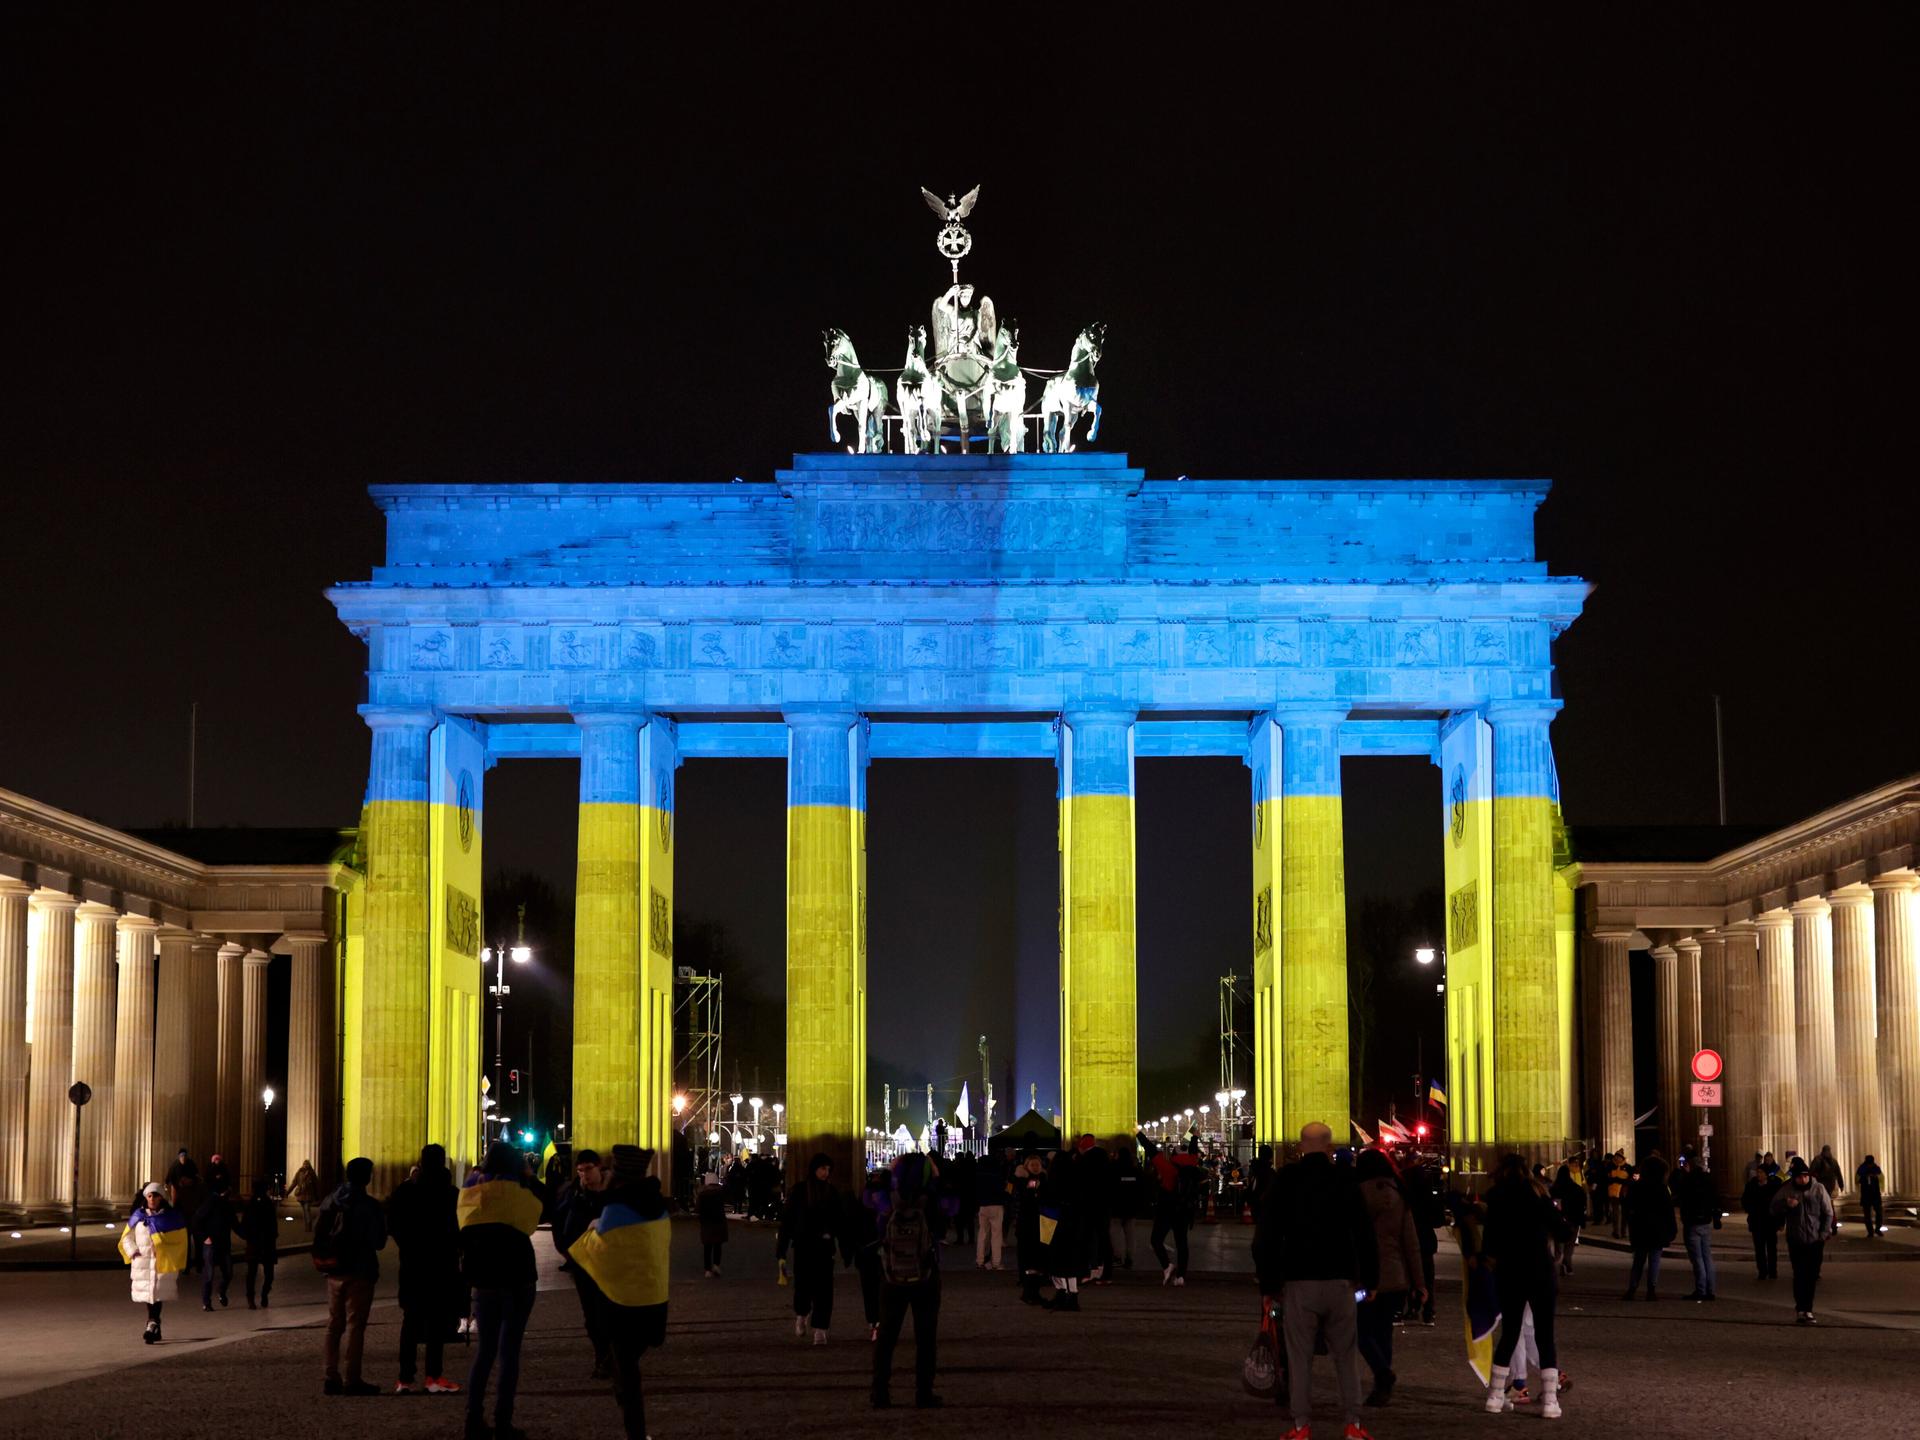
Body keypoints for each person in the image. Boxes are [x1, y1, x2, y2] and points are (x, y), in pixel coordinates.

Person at [1253, 1122, 1379, 1440]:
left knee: (1299, 1357)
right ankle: (1353, 1424)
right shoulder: (1345, 1180)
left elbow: (1266, 1237)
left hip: (1299, 1281)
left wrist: (1269, 1285)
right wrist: (1371, 1278)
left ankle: (1301, 1425)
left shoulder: (1286, 1180)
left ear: (1300, 1147)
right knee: (1346, 1356)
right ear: (1329, 1147)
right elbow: (1365, 1233)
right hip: (1340, 1281)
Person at [572, 1145, 672, 1440]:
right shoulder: (659, 1206)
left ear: (618, 1174)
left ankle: (636, 1433)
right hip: (654, 1299)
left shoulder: (615, 1209)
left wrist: (592, 1230)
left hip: (623, 1303)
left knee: (626, 1372)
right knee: (626, 1365)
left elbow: (598, 1252)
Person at [460, 1140, 545, 1439]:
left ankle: (473, 1418)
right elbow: (542, 1209)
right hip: (518, 1277)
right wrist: (528, 1176)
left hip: (484, 1281)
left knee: (485, 1352)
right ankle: (503, 1421)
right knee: (510, 1353)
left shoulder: (470, 1192)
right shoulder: (519, 1191)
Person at [1482, 1154, 1569, 1419]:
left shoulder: (1496, 1197)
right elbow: (1563, 1231)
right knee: (1544, 1335)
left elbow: (1489, 1244)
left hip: (1510, 1272)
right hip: (1540, 1270)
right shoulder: (1538, 1194)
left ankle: (1495, 1396)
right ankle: (1550, 1401)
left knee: (1510, 1333)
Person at [388, 1142, 463, 1395]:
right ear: (443, 1162)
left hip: (413, 1265)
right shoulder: (451, 1193)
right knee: (436, 1324)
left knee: (410, 1322)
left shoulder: (405, 1191)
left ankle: (404, 1379)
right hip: (442, 1265)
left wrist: (408, 1246)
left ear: (421, 1162)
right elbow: (460, 1229)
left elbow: (394, 1224)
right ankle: (433, 1376)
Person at [871, 1152, 944, 1410]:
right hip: (925, 1275)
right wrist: (935, 1177)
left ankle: (880, 1392)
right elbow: (950, 1211)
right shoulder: (930, 1199)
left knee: (886, 1337)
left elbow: (873, 1218)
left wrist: (888, 1176)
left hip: (891, 1276)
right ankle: (924, 1393)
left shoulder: (886, 1198)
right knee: (926, 1338)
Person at [1354, 1148, 1425, 1408]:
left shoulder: (1356, 1195)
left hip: (1364, 1279)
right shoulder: (1399, 1195)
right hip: (1395, 1277)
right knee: (1384, 1331)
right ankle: (1382, 1383)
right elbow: (1411, 1244)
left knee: (1360, 1330)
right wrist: (1419, 1283)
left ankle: (1382, 1373)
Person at [314, 1155, 388, 1395]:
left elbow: (318, 1230)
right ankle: (352, 1378)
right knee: (356, 1325)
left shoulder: (330, 1200)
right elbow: (379, 1241)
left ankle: (330, 1375)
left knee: (334, 1324)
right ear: (366, 1177)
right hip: (360, 1270)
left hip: (334, 1269)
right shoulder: (369, 1205)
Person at [776, 1153, 850, 1344]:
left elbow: (840, 1222)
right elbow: (788, 1221)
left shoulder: (831, 1192)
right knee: (803, 1286)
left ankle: (820, 1329)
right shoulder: (799, 1191)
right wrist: (781, 1249)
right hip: (804, 1246)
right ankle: (802, 1314)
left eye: (828, 1169)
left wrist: (845, 1247)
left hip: (824, 1248)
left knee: (824, 1290)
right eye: (822, 1168)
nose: (826, 1173)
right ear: (814, 1169)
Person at [555, 1148, 612, 1377]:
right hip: (583, 1265)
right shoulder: (574, 1195)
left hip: (610, 1264)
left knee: (609, 1312)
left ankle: (613, 1356)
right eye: (580, 1171)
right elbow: (561, 1224)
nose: (584, 1175)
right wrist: (568, 1253)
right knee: (591, 1315)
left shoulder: (614, 1193)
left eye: (588, 1169)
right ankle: (602, 1356)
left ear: (599, 1167)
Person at [1772, 1157, 1836, 1324]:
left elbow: (1828, 1212)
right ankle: (1802, 1309)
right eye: (1799, 1177)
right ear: (1794, 1177)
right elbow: (1773, 1208)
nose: (1803, 1179)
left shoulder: (1818, 1189)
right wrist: (1786, 1203)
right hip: (1796, 1240)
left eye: (1805, 1176)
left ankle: (1808, 1308)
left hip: (1815, 1240)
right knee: (1799, 1274)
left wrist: (1823, 1234)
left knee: (1811, 1275)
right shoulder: (1787, 1189)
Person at [127, 1181, 186, 1343]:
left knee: (157, 1294)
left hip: (162, 1262)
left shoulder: (170, 1217)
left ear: (162, 1198)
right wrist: (133, 1251)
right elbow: (127, 1237)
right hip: (144, 1263)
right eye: (149, 1196)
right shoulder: (138, 1217)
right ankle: (154, 1324)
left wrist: (165, 1246)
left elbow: (179, 1238)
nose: (152, 1199)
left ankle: (152, 1323)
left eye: (156, 1196)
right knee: (149, 1295)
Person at [1140, 1130, 1200, 1286]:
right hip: (1184, 1210)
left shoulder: (1167, 1167)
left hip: (1166, 1209)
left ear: (1173, 1154)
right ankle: (1181, 1277)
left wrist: (1139, 1134)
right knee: (1182, 1243)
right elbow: (1193, 1150)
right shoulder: (1193, 1163)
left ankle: (1167, 1265)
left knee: (1156, 1240)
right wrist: (1194, 1137)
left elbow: (1151, 1150)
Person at [1622, 1151, 1674, 1300]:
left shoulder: (1637, 1187)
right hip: (1657, 1229)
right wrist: (1671, 1229)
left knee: (1638, 1260)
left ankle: (1632, 1288)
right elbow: (1668, 1211)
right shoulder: (1662, 1188)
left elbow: (1628, 1206)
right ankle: (1651, 1289)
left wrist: (1630, 1224)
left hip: (1640, 1228)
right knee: (1654, 1260)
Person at [1041, 1146, 1087, 1311]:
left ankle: (1063, 1292)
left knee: (1057, 1261)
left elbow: (1046, 1200)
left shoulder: (1052, 1181)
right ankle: (1071, 1295)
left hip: (1054, 1222)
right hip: (1073, 1223)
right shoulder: (1077, 1180)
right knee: (1070, 1261)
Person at [1674, 1147, 1721, 1300]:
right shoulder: (1708, 1179)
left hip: (1692, 1221)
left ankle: (1701, 1290)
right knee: (1707, 1256)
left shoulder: (1687, 1180)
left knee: (1697, 1258)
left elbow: (1680, 1197)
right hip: (1705, 1221)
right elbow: (1715, 1199)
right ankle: (1710, 1289)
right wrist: (1716, 1217)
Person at [852, 1168, 890, 1341]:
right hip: (882, 1248)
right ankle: (879, 1323)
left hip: (867, 1249)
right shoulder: (890, 1198)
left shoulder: (864, 1197)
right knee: (883, 1289)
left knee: (870, 1289)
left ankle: (874, 1322)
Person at [191, 1178, 236, 1310]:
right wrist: (204, 1237)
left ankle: (220, 1291)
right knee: (209, 1273)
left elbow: (234, 1223)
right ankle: (206, 1302)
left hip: (223, 1243)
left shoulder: (227, 1205)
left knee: (228, 1271)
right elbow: (196, 1220)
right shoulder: (210, 1202)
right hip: (211, 1243)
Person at [235, 1175, 279, 1309]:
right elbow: (273, 1223)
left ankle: (254, 1297)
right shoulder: (264, 1204)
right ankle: (259, 1296)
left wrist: (246, 1235)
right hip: (262, 1241)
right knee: (263, 1273)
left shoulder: (253, 1204)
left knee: (254, 1273)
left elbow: (245, 1223)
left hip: (258, 1241)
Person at [1013, 1152, 1049, 1304]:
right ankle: (1027, 1282)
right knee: (1027, 1253)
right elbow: (1024, 1197)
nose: (1035, 1167)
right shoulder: (1022, 1180)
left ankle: (1036, 1282)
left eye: (1037, 1165)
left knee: (1037, 1254)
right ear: (1026, 1166)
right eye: (1032, 1165)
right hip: (1027, 1222)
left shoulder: (1044, 1179)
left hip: (1041, 1221)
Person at [1741, 1161, 1783, 1279]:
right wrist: (1750, 1209)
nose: (1759, 1174)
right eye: (1758, 1172)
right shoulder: (1751, 1186)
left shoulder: (1773, 1187)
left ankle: (1773, 1271)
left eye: (1761, 1172)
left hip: (1770, 1222)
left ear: (1766, 1174)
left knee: (1771, 1248)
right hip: (1757, 1222)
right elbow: (1745, 1200)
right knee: (1759, 1249)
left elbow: (1778, 1205)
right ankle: (1762, 1271)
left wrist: (1780, 1221)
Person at [973, 1150, 1009, 1270]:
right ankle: (996, 1262)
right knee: (996, 1234)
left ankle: (980, 1261)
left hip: (983, 1206)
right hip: (996, 1205)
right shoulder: (997, 1175)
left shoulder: (978, 1176)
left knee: (982, 1233)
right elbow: (1005, 1189)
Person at [1549, 1164, 1587, 1276]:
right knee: (1570, 1245)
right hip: (1574, 1219)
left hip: (1559, 1220)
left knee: (1559, 1245)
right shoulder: (1577, 1189)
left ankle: (1557, 1264)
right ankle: (1567, 1264)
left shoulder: (1554, 1189)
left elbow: (1550, 1204)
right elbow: (1582, 1205)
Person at [694, 1169, 729, 1276]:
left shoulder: (702, 1194)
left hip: (706, 1221)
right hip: (719, 1221)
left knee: (707, 1246)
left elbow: (697, 1209)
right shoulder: (720, 1193)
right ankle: (716, 1265)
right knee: (718, 1245)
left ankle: (707, 1269)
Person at [1856, 1155, 1885, 1237]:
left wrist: (1875, 1177)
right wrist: (1864, 1177)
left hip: (1874, 1194)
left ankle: (1876, 1229)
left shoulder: (1875, 1168)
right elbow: (1857, 1180)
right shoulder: (1862, 1169)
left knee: (1877, 1212)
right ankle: (1871, 1231)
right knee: (1868, 1214)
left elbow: (1881, 1178)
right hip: (1867, 1194)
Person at [288, 1157, 319, 1228]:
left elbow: (316, 1185)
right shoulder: (300, 1173)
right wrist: (288, 1192)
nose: (305, 1166)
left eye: (307, 1164)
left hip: (308, 1195)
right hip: (301, 1195)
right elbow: (294, 1183)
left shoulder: (311, 1173)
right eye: (305, 1164)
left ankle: (308, 1224)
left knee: (306, 1209)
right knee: (305, 1210)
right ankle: (307, 1225)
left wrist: (317, 1195)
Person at [1810, 1144, 1843, 1211]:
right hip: (1829, 1183)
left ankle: (1825, 1211)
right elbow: (1838, 1173)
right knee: (1826, 1198)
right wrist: (1841, 1185)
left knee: (1821, 1199)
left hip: (1821, 1183)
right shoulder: (1833, 1161)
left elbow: (1811, 1171)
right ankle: (1828, 1211)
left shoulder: (1817, 1159)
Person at [1606, 1151, 1630, 1238]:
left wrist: (1621, 1181)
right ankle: (1616, 1231)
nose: (1617, 1158)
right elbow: (1606, 1178)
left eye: (1619, 1157)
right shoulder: (1610, 1166)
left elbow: (1632, 1179)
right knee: (1615, 1213)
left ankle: (1623, 1232)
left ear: (1622, 1158)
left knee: (1624, 1213)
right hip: (1613, 1193)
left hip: (1624, 1193)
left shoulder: (1628, 1167)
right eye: (1616, 1157)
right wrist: (1613, 1180)